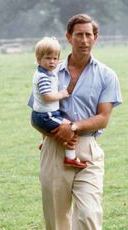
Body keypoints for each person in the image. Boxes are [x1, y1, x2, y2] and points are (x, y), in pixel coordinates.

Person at [31, 14, 122, 229]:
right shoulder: (49, 72)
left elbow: (103, 118)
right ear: (69, 37)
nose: (84, 40)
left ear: (95, 37)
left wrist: (72, 127)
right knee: (57, 221)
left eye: (88, 35)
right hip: (54, 148)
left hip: (88, 150)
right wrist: (52, 134)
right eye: (79, 35)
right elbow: (36, 114)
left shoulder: (107, 75)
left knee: (89, 215)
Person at [31, 36, 86, 168]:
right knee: (72, 128)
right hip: (46, 115)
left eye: (55, 58)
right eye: (48, 58)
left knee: (66, 125)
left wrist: (60, 62)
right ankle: (70, 157)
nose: (52, 62)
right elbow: (47, 97)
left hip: (43, 114)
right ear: (39, 59)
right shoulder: (44, 77)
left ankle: (44, 143)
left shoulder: (44, 71)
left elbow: (54, 64)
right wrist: (61, 94)